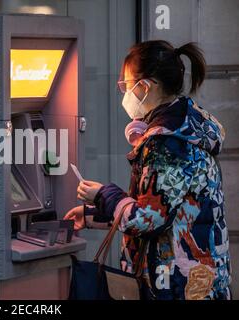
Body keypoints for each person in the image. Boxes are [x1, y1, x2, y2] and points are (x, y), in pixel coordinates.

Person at [64, 40, 231, 300]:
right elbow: (166, 207)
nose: (124, 93)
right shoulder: (187, 130)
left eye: (126, 85)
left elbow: (149, 220)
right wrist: (92, 216)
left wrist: (103, 195)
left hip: (177, 285)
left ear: (144, 86)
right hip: (197, 281)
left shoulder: (167, 143)